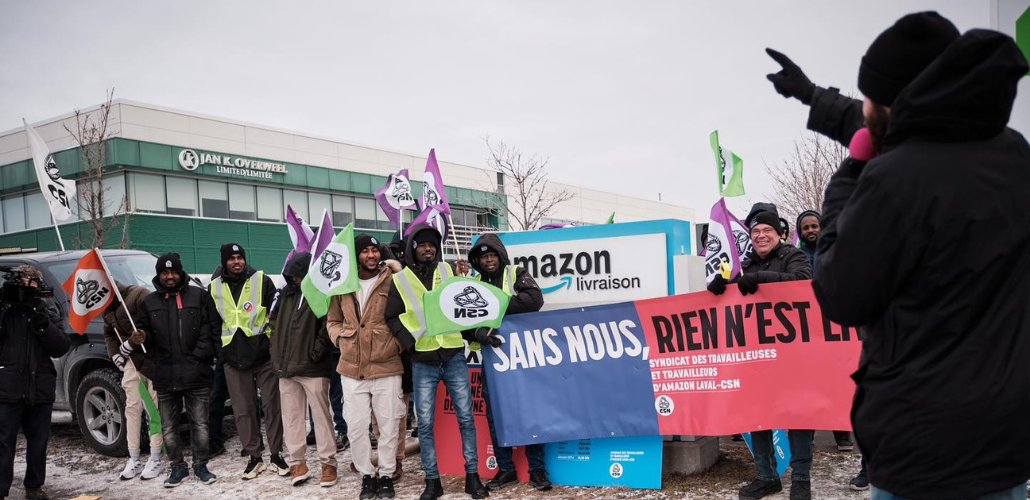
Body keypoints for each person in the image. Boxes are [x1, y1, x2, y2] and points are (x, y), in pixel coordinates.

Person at [813, 11, 1030, 500]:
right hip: (1004, 439)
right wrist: (817, 100)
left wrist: (849, 178)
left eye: (869, 96)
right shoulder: (1015, 155)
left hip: (922, 447)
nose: (863, 105)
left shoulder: (891, 181)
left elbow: (840, 294)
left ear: (893, 102)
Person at [708, 209, 813, 500]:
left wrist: (762, 278)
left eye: (766, 230)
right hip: (759, 359)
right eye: (755, 232)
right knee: (758, 414)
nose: (761, 236)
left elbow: (803, 281)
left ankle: (801, 480)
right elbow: (735, 292)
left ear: (779, 233)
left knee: (800, 416)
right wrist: (718, 287)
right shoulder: (746, 263)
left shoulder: (794, 255)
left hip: (794, 357)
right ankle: (767, 477)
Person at [385, 225, 485, 500]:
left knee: (466, 418)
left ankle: (472, 476)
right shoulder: (401, 279)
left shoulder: (448, 271)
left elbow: (464, 303)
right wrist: (410, 342)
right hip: (423, 360)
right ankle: (432, 481)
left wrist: (466, 278)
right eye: (422, 245)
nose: (428, 249)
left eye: (432, 245)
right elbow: (391, 316)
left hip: (452, 354)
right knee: (426, 424)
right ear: (412, 249)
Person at [466, 234, 550, 492]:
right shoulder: (472, 282)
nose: (488, 260)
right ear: (477, 260)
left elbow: (534, 300)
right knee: (495, 415)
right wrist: (476, 333)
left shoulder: (516, 272)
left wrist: (493, 308)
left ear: (500, 255)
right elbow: (462, 321)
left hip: (522, 357)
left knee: (530, 411)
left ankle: (537, 469)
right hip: (491, 361)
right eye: (483, 256)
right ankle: (506, 469)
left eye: (492, 255)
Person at [132, 253, 218, 487]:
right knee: (169, 426)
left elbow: (210, 329)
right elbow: (143, 332)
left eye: (173, 272)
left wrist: (199, 356)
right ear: (159, 275)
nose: (169, 277)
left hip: (196, 373)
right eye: (164, 273)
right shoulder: (149, 302)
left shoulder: (199, 295)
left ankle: (201, 465)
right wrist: (141, 336)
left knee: (200, 424)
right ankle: (177, 467)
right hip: (165, 375)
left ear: (181, 273)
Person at [329, 234, 405, 499]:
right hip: (351, 368)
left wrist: (397, 344)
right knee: (356, 427)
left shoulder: (393, 280)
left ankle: (386, 475)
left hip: (386, 365)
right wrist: (340, 338)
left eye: (375, 251)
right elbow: (332, 320)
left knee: (388, 425)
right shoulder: (342, 284)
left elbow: (409, 313)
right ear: (356, 256)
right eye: (365, 252)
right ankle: (366, 476)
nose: (371, 256)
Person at [210, 243, 287, 479]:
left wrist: (272, 347)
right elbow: (213, 325)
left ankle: (276, 454)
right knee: (243, 410)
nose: (237, 262)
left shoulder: (261, 280)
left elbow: (275, 315)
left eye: (240, 257)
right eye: (232, 258)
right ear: (224, 262)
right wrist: (221, 356)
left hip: (263, 357)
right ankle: (255, 457)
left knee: (272, 407)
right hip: (233, 359)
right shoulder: (214, 287)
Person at [0, 266, 70, 500]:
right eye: (23, 283)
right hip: (7, 387)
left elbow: (60, 347)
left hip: (40, 387)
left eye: (32, 283)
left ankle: (34, 486)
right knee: (3, 441)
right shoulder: (4, 307)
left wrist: (43, 324)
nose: (28, 288)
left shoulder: (47, 309)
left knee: (38, 442)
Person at [269, 252, 338, 487]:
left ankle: (328, 463)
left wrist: (315, 353)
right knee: (292, 417)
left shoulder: (320, 293)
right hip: (285, 367)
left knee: (321, 417)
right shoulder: (286, 295)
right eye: (292, 276)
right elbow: (274, 322)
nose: (295, 280)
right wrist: (275, 349)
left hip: (313, 367)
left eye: (299, 275)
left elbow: (326, 326)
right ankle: (297, 462)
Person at [103, 281, 165, 480]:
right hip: (131, 361)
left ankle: (156, 456)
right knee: (132, 407)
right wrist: (115, 354)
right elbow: (108, 333)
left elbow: (156, 322)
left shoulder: (138, 294)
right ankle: (134, 456)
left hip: (153, 359)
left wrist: (130, 343)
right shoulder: (105, 307)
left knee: (155, 408)